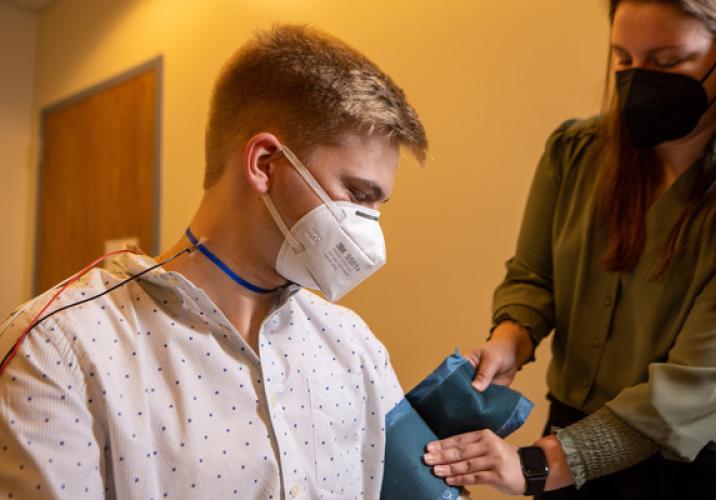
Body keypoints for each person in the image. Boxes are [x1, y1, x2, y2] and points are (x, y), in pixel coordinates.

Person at [0, 25, 427, 499]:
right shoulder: (59, 349)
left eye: (378, 205)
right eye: (357, 194)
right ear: (264, 163)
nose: (369, 228)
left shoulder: (354, 349)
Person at [423, 1, 716, 498]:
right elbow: (534, 277)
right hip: (571, 433)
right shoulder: (575, 152)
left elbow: (687, 392)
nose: (639, 80)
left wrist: (534, 466)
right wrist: (511, 341)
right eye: (623, 59)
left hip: (695, 468)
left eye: (667, 62)